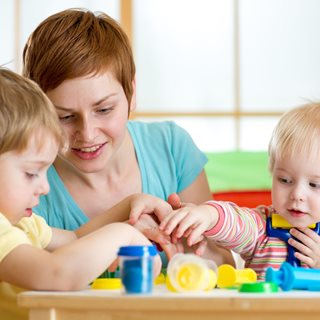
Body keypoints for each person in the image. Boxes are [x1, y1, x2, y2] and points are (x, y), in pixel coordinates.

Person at [22, 8, 232, 265]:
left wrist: (189, 242)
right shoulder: (25, 178)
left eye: (104, 110)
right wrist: (119, 236)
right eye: (64, 117)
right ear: (37, 110)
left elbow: (224, 265)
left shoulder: (171, 147)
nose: (87, 134)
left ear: (131, 94)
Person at [0, 68, 163, 320]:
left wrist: (129, 205)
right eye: (32, 173)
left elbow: (75, 238)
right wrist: (124, 234)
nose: (45, 187)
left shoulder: (20, 224)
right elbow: (55, 273)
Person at [156, 102, 320, 280]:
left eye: (314, 185)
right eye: (285, 180)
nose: (297, 194)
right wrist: (210, 215)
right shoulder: (262, 227)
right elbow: (235, 221)